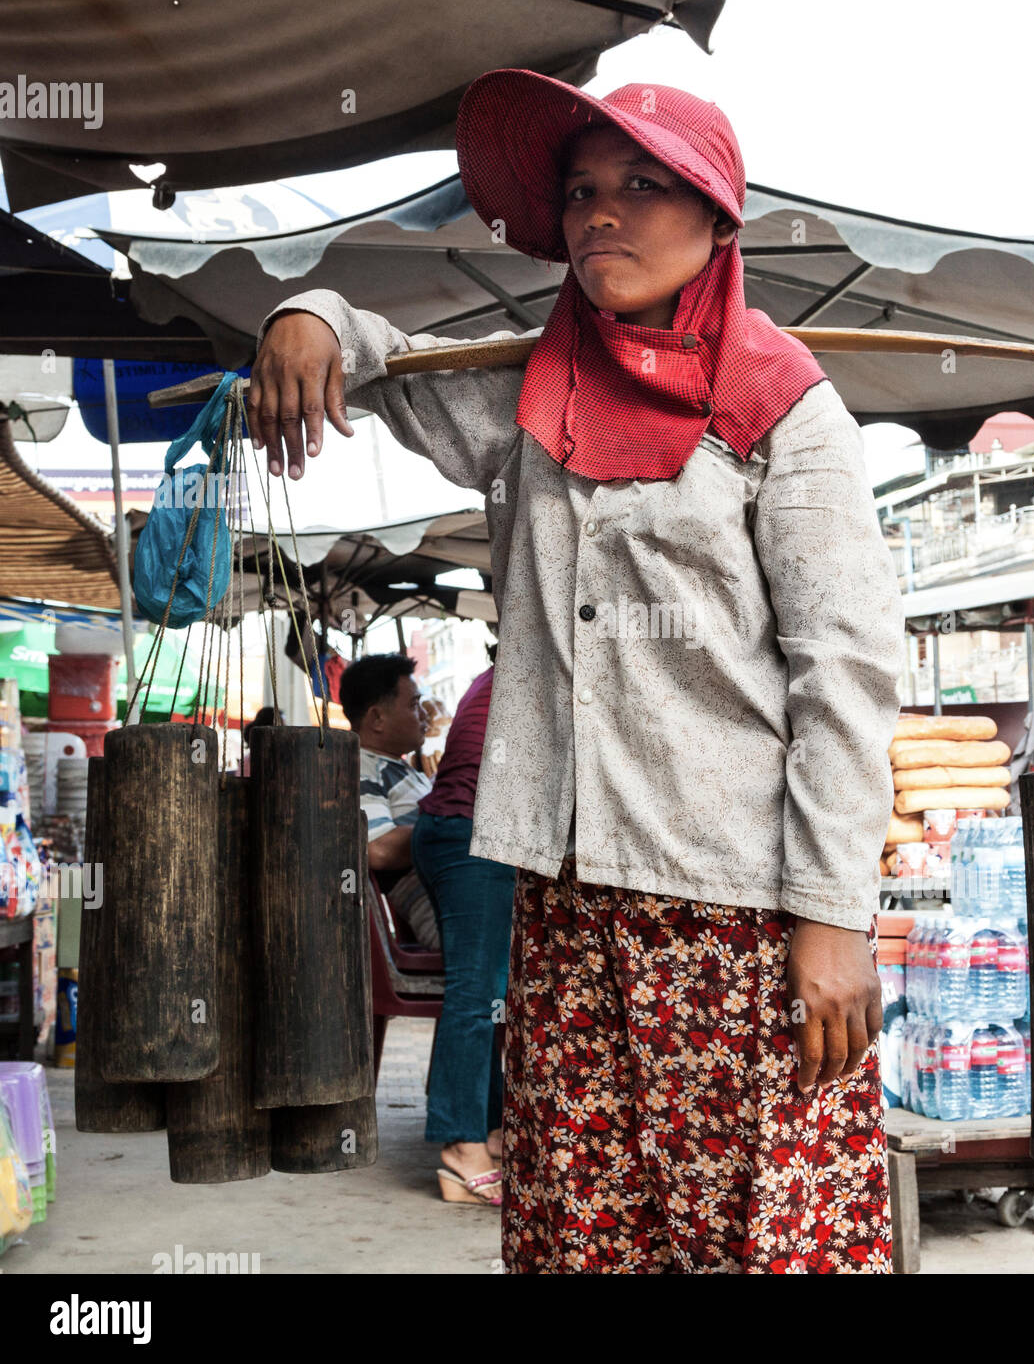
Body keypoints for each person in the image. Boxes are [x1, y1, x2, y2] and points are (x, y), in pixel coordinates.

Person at [250, 70, 905, 1274]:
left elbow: (846, 677)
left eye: (644, 186)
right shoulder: (525, 393)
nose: (603, 212)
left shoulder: (783, 413)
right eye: (583, 190)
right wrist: (313, 314)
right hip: (562, 899)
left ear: (717, 214)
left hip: (737, 911)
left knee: (751, 1226)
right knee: (590, 1228)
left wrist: (831, 917)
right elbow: (384, 357)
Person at [410, 645, 514, 1208]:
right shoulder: (534, 672)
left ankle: (488, 1129)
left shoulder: (496, 672)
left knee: (491, 991)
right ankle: (460, 1147)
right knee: (476, 994)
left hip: (455, 831)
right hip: (472, 836)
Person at [339, 653, 439, 950]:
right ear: (377, 718)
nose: (424, 716)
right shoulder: (362, 767)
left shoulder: (400, 769)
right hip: (447, 921)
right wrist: (454, 827)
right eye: (413, 705)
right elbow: (377, 848)